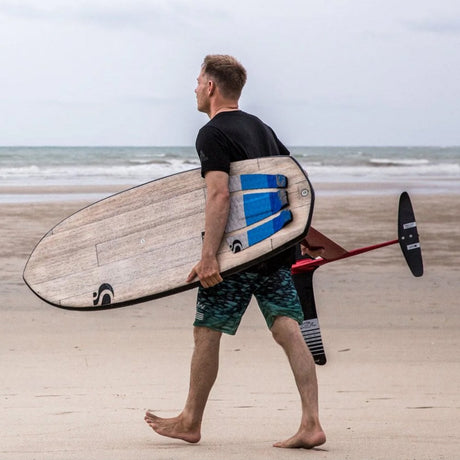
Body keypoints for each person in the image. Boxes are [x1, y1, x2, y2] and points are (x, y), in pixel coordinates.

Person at [145, 55, 326, 449]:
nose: (195, 88)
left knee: (207, 330)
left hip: (237, 254)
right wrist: (301, 233)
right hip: (273, 248)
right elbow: (292, 184)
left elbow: (219, 194)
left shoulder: (212, 133)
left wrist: (209, 256)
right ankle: (311, 423)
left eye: (198, 81)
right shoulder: (262, 128)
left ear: (211, 86)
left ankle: (190, 421)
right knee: (287, 328)